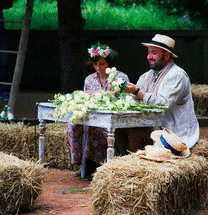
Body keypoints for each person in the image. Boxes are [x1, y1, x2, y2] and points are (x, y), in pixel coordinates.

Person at [125, 34, 199, 148]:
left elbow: (164, 104)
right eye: (148, 53)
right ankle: (129, 162)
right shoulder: (147, 75)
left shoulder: (177, 75)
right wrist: (119, 93)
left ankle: (139, 163)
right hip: (153, 126)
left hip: (174, 131)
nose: (149, 57)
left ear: (167, 56)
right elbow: (134, 97)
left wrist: (136, 92)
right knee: (119, 131)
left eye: (154, 53)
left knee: (135, 133)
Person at [67, 42, 130, 176]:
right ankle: (82, 163)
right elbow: (85, 101)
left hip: (112, 119)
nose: (98, 68)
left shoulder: (120, 78)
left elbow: (120, 100)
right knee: (73, 125)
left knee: (96, 130)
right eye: (96, 64)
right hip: (92, 118)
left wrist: (99, 96)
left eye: (102, 64)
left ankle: (97, 167)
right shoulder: (90, 79)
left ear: (109, 63)